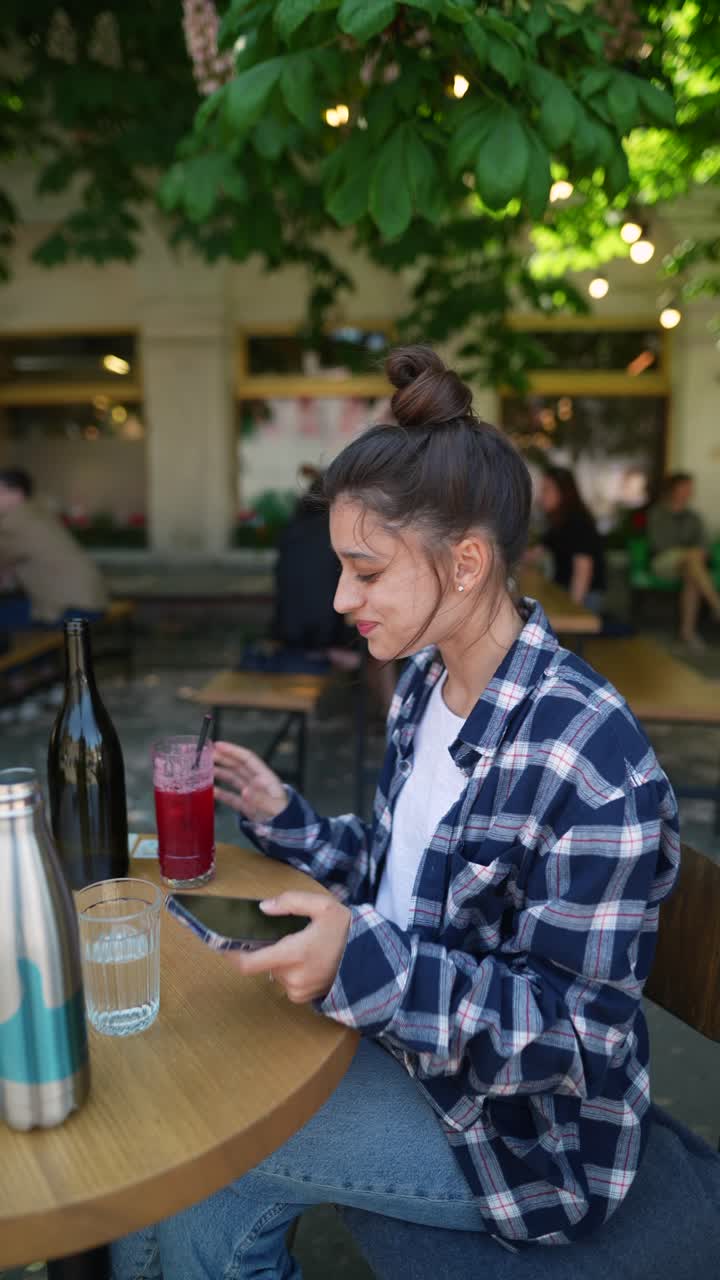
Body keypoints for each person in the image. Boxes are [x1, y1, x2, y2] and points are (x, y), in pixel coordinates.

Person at [112, 347, 679, 1278]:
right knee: (191, 1108)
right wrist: (288, 818)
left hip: (527, 1142)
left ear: (465, 563)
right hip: (416, 1056)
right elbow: (410, 878)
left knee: (207, 1144)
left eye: (366, 572)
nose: (341, 599)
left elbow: (574, 1041)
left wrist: (360, 962)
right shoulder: (426, 681)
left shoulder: (593, 762)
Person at [0, 468, 108, 632]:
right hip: (90, 601)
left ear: (17, 494)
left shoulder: (15, 522)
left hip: (70, 609)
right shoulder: (36, 513)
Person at [646, 472, 720, 650]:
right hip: (663, 561)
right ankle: (715, 604)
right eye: (684, 487)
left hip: (690, 564)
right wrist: (689, 552)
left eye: (690, 488)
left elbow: (703, 544)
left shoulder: (694, 517)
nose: (688, 491)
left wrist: (696, 552)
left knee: (691, 575)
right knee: (692, 559)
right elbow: (660, 543)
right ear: (673, 490)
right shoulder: (658, 513)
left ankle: (687, 632)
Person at [536, 466, 606, 608]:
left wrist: (572, 608)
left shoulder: (577, 523)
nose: (541, 496)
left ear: (563, 492)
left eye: (547, 489)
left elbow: (583, 569)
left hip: (583, 596)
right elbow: (537, 552)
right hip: (564, 591)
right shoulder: (559, 523)